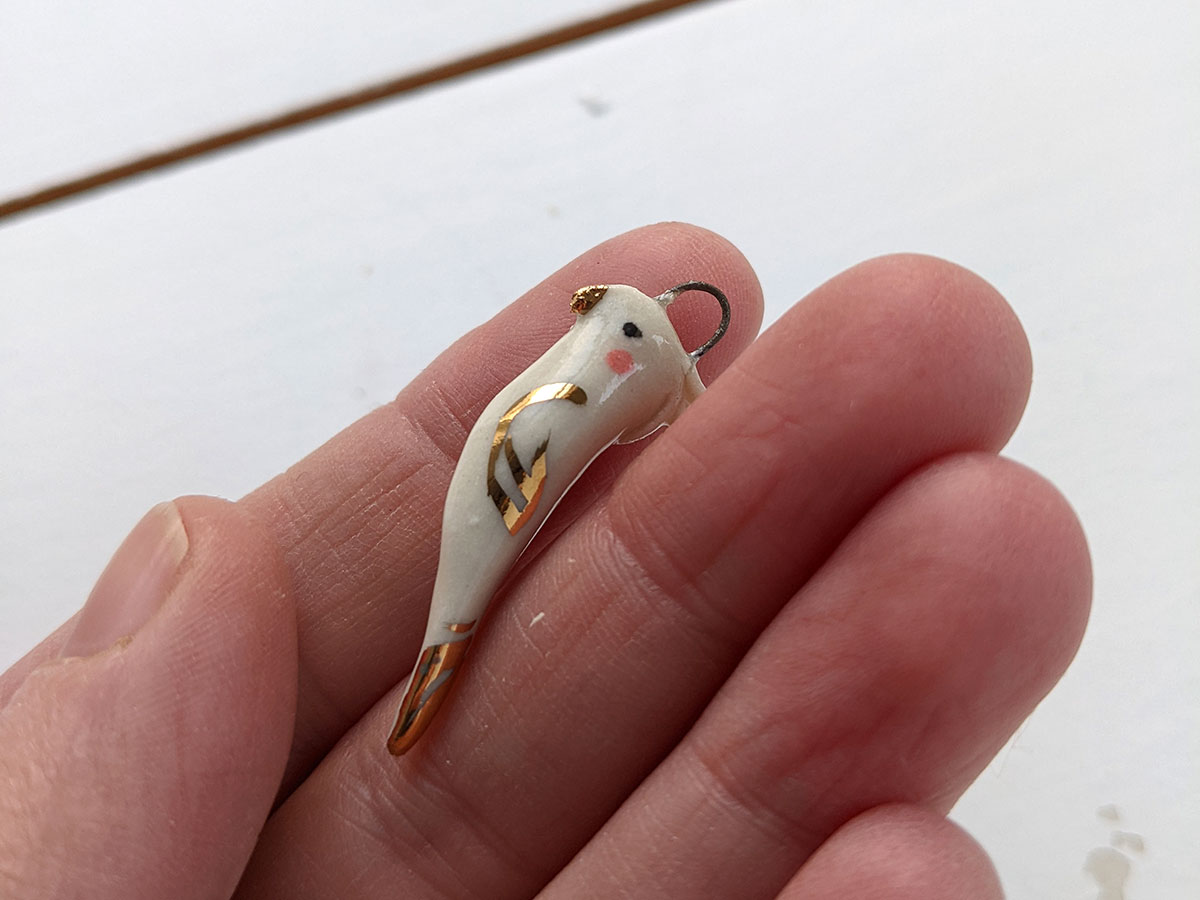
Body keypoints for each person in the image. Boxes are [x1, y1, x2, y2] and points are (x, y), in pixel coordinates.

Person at [0, 224, 1090, 899]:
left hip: (534, 459)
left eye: (642, 347)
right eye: (632, 337)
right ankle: (437, 667)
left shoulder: (624, 369)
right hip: (514, 466)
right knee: (472, 568)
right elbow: (516, 448)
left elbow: (539, 442)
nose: (629, 346)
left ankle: (438, 669)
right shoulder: (602, 354)